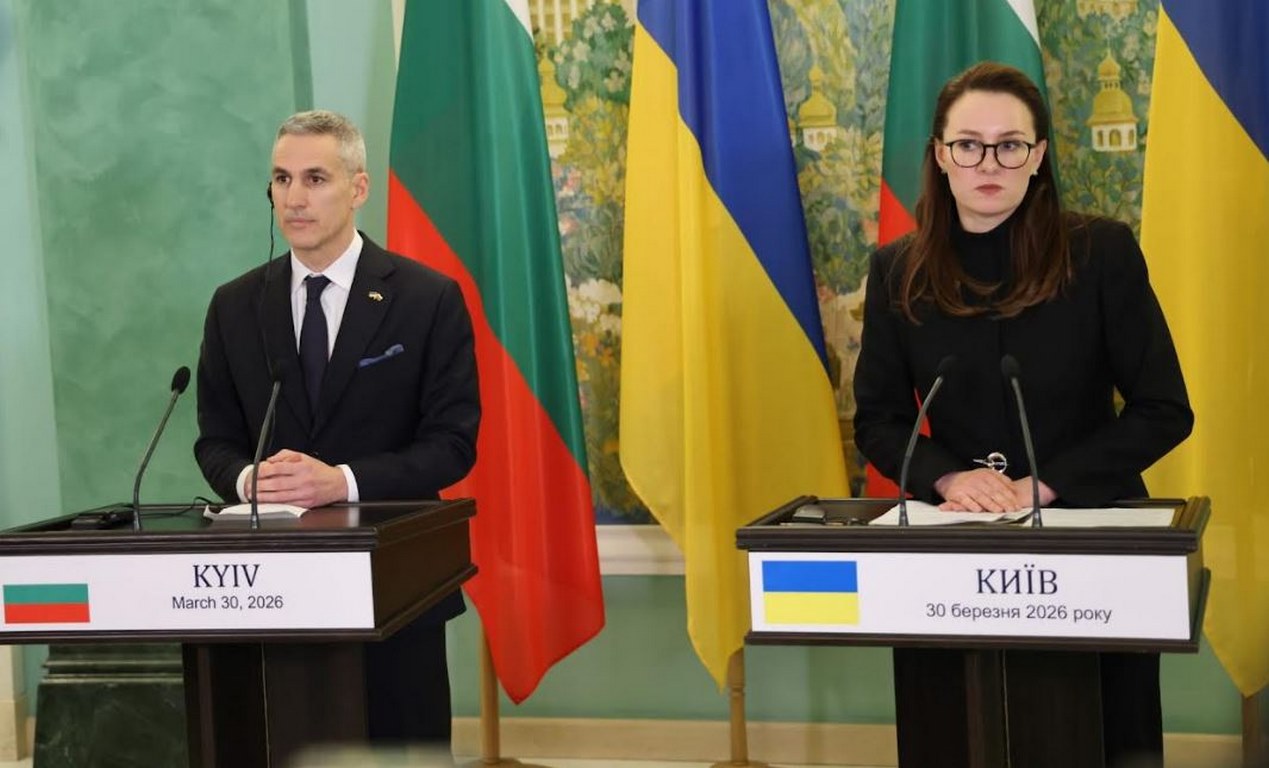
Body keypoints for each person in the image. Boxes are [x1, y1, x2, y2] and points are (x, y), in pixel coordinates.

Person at [853, 62, 1192, 768]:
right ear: (940, 156)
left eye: (1009, 145)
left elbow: (1163, 410)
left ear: (1037, 157)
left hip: (1093, 544)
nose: (988, 163)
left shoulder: (1100, 253)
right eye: (968, 145)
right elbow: (878, 419)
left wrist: (1043, 484)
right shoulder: (896, 269)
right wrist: (949, 479)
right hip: (951, 553)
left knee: (1102, 738)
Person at [194, 109, 480, 745]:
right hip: (268, 591)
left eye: (315, 178)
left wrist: (342, 481)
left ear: (358, 188)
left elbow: (452, 444)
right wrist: (247, 479)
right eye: (281, 179)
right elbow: (215, 440)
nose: (293, 198)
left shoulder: (427, 298)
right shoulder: (235, 305)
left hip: (394, 583)